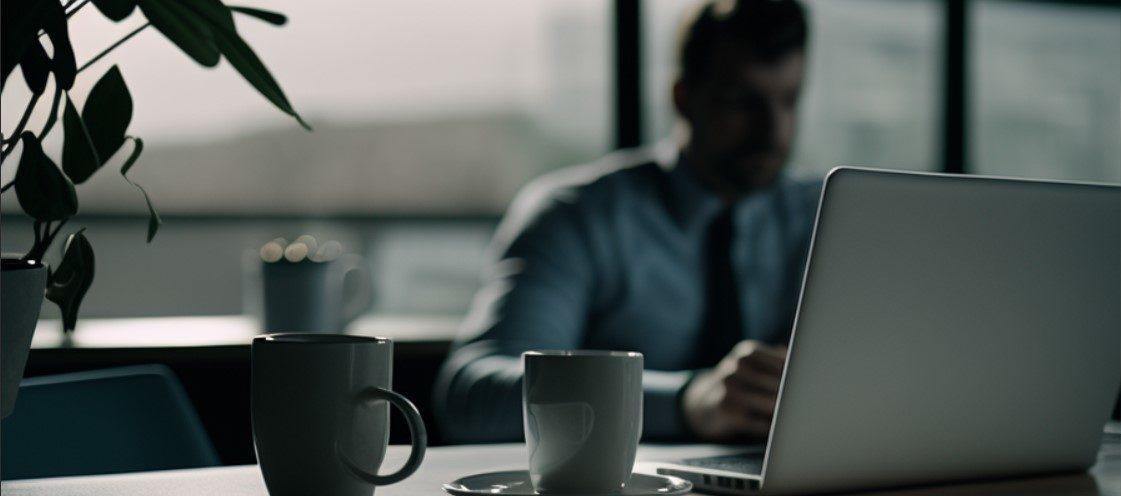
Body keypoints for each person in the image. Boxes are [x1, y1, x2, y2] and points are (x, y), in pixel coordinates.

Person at [434, 0, 819, 443]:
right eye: (742, 102)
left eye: (789, 100)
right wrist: (686, 402)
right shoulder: (577, 215)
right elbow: (473, 396)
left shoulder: (821, 217)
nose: (774, 131)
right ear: (684, 97)